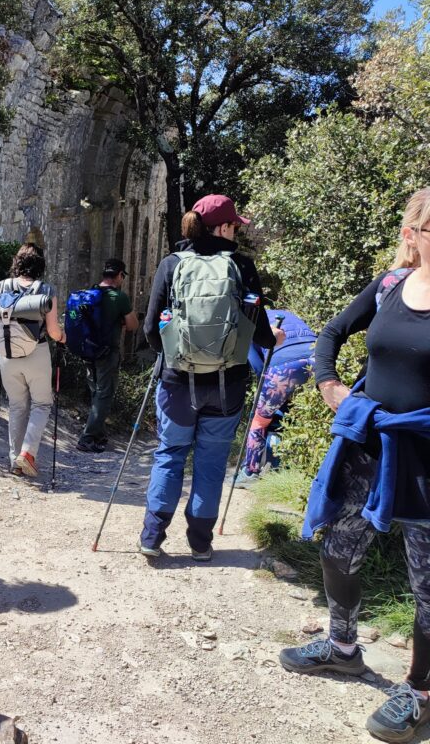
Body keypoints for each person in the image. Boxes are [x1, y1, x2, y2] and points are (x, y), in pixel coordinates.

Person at [279, 188, 430, 744]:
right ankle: (342, 647)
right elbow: (333, 332)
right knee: (338, 549)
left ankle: (419, 692)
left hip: (427, 463)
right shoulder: (391, 286)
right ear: (412, 236)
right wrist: (329, 385)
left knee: (429, 586)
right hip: (371, 451)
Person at [139, 195, 282, 561]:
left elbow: (150, 327)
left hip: (176, 385)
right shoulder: (242, 266)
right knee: (211, 462)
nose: (236, 233)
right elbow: (259, 329)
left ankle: (152, 538)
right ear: (221, 227)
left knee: (170, 455)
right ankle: (200, 543)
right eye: (234, 226)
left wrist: (172, 354)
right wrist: (274, 337)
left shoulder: (172, 264)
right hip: (226, 386)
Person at [0, 243, 65, 478]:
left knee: (16, 406)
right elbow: (54, 331)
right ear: (40, 266)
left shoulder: (1, 286)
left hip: (7, 353)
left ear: (17, 263)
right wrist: (63, 336)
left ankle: (16, 461)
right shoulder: (46, 290)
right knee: (42, 404)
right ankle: (27, 453)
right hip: (36, 352)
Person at [238, 308, 316, 482]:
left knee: (260, 420)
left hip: (283, 366)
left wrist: (266, 396)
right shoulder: (287, 313)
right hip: (318, 359)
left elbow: (259, 367)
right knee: (288, 414)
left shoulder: (251, 322)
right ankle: (280, 465)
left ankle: (250, 472)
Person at [76, 258, 139, 453]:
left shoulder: (90, 293)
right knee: (104, 394)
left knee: (96, 392)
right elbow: (133, 326)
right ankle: (87, 437)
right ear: (119, 275)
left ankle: (99, 435)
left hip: (87, 351)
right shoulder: (119, 297)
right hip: (107, 352)